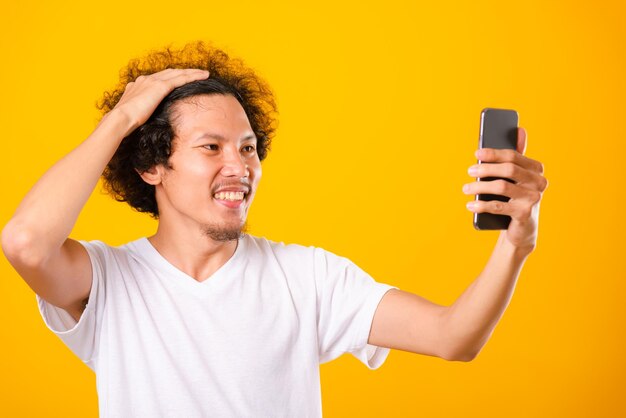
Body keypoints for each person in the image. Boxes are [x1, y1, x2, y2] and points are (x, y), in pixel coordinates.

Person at [1, 42, 548, 417]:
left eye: (248, 148)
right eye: (211, 147)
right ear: (152, 166)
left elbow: (453, 336)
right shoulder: (108, 283)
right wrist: (120, 120)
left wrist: (515, 243)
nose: (238, 166)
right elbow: (25, 242)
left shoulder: (306, 277)